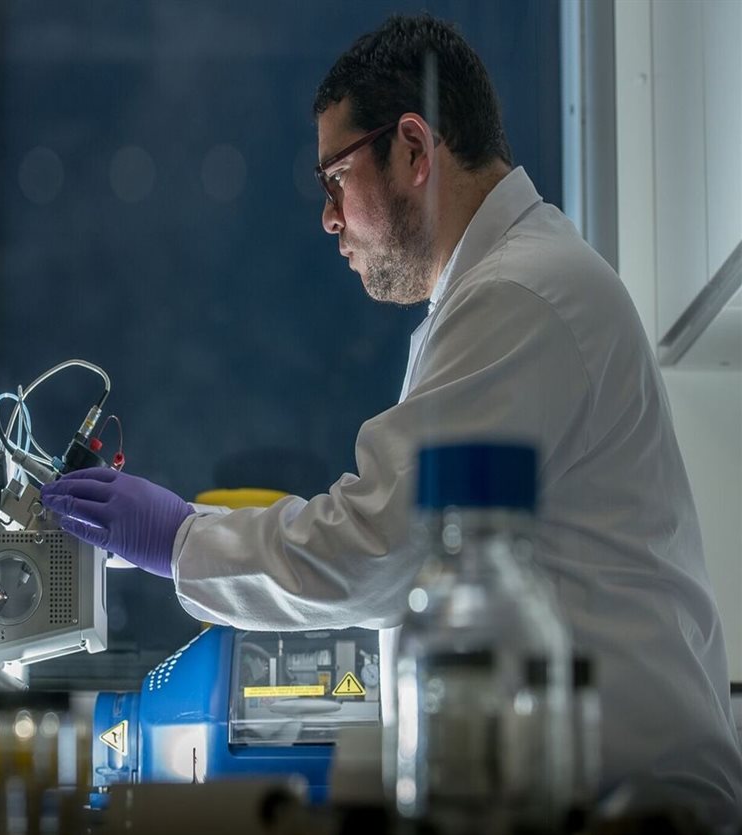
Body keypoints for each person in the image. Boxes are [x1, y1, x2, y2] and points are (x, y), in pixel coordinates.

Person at [38, 13, 742, 826]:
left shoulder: (521, 296)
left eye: (333, 180)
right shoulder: (503, 290)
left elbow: (377, 548)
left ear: (413, 148)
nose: (329, 218)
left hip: (633, 808)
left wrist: (177, 540)